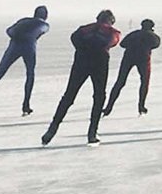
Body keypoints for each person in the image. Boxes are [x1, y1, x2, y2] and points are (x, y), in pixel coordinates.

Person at [42, 10, 121, 146]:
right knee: (99, 96)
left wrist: (83, 48)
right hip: (100, 62)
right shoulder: (113, 32)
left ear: (98, 18)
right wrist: (98, 47)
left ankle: (52, 129)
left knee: (69, 96)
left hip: (81, 60)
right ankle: (92, 133)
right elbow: (112, 42)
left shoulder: (84, 28)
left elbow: (74, 37)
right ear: (111, 21)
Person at [0, 5, 50, 115]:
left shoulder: (23, 20)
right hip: (29, 47)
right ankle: (26, 105)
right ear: (45, 16)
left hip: (14, 45)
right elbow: (40, 31)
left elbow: (9, 30)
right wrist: (30, 37)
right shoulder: (44, 24)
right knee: (30, 74)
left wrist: (17, 36)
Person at [104, 18, 161, 116]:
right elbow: (156, 44)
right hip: (143, 59)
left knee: (120, 82)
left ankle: (109, 107)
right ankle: (141, 106)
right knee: (144, 82)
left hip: (128, 57)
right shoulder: (153, 36)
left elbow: (122, 44)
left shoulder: (134, 34)